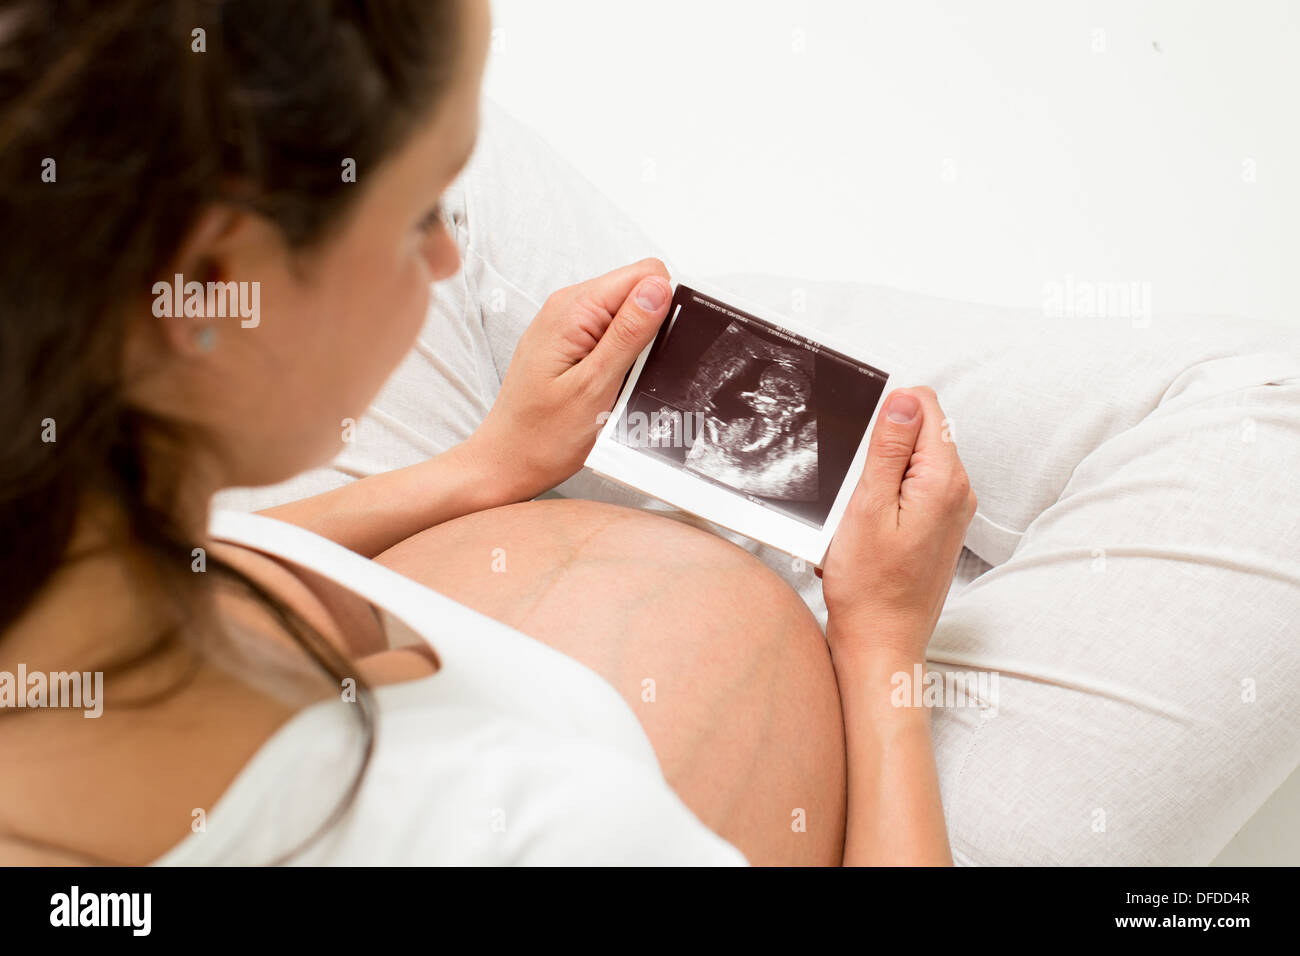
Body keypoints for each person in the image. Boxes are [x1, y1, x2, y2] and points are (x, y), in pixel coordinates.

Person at [0, 0, 975, 865]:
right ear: (211, 286)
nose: (450, 256)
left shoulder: (79, 551)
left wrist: (483, 468)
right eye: (423, 211)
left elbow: (217, 570)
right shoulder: (541, 824)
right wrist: (884, 653)